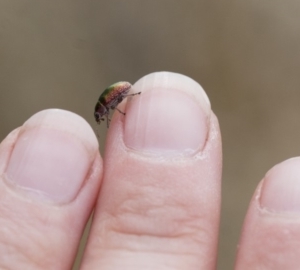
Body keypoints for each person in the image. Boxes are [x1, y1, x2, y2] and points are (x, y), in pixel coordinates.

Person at [0, 72, 298, 269]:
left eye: (102, 114)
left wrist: (127, 103)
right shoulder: (109, 107)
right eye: (103, 113)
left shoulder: (112, 103)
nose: (102, 116)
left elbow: (116, 100)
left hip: (128, 91)